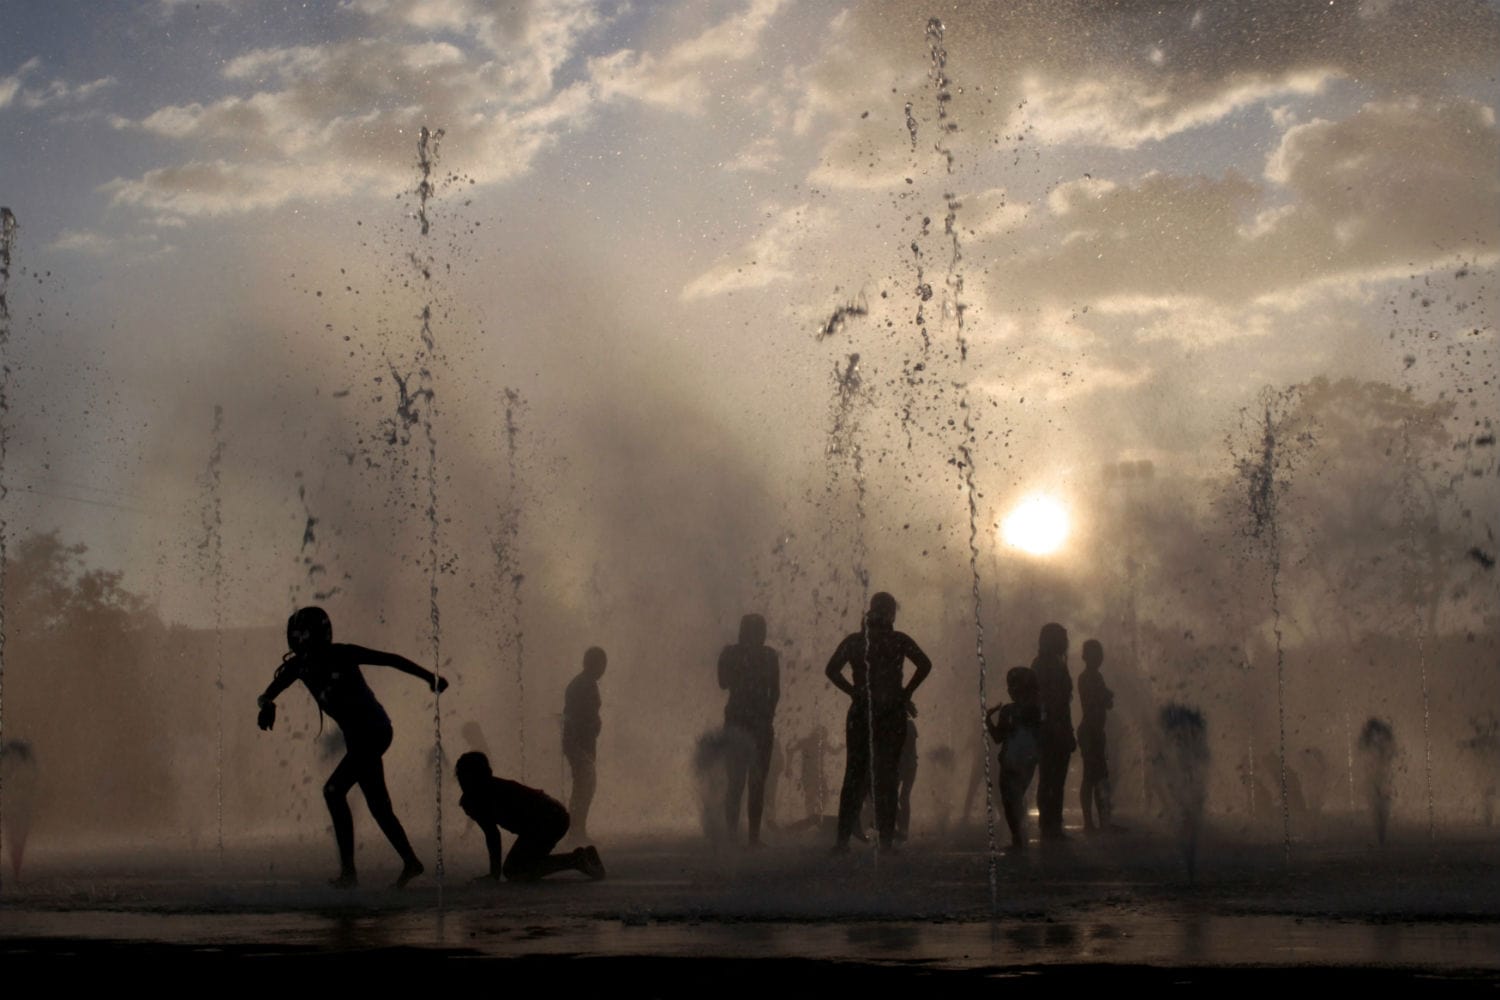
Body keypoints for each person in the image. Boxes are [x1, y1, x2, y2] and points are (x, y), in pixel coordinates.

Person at [256, 606, 446, 888]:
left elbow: (391, 660)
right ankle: (411, 862)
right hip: (360, 738)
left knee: (333, 791)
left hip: (375, 731)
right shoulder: (298, 666)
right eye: (299, 636)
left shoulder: (342, 653)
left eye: (306, 635)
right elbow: (265, 694)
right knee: (378, 806)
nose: (303, 641)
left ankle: (349, 873)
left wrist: (430, 677)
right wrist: (268, 704)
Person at [825, 591, 932, 851]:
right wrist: (905, 693)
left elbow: (831, 670)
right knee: (888, 775)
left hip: (862, 711)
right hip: (891, 713)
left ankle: (841, 842)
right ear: (892, 613)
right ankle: (885, 842)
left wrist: (854, 691)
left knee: (854, 774)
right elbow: (925, 664)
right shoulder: (898, 640)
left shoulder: (855, 642)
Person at [455, 752, 605, 881]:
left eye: (465, 777)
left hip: (549, 819)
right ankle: (581, 857)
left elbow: (492, 835)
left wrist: (494, 874)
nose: (462, 782)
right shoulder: (489, 790)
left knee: (514, 870)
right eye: (460, 777)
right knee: (518, 867)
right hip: (553, 815)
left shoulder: (480, 798)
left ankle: (575, 860)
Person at [718, 613, 780, 846]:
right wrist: (768, 715)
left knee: (737, 782)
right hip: (758, 721)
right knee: (755, 782)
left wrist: (734, 664)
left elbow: (723, 682)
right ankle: (751, 837)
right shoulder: (768, 655)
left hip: (737, 719)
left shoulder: (731, 653)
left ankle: (735, 836)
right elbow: (775, 691)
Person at [986, 666, 1041, 852]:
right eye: (1009, 686)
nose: (1010, 690)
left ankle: (1019, 838)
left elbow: (998, 737)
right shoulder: (1024, 711)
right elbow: (998, 738)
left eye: (1013, 686)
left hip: (1015, 762)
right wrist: (988, 720)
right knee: (1012, 799)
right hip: (1019, 761)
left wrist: (988, 720)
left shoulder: (1020, 711)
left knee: (1011, 799)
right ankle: (1019, 836)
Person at [1032, 622, 1075, 841]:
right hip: (1051, 729)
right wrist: (1058, 727)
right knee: (1052, 778)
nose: (1067, 642)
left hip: (1052, 728)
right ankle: (1050, 824)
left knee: (1052, 779)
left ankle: (1050, 823)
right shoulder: (1048, 665)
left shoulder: (1046, 663)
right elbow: (1046, 701)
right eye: (1063, 637)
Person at [562, 646, 606, 841]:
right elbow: (573, 716)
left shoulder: (586, 683)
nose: (603, 669)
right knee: (584, 786)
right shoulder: (582, 684)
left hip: (582, 743)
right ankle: (576, 831)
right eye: (601, 664)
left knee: (584, 785)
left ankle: (577, 829)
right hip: (579, 743)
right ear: (591, 663)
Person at [1076, 638, 1114, 832]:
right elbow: (1102, 700)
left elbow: (1106, 701)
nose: (1099, 658)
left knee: (1098, 776)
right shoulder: (1088, 677)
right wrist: (1106, 696)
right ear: (1087, 657)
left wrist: (1106, 697)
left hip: (1095, 731)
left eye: (1100, 654)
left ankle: (1100, 821)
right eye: (1096, 654)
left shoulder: (1094, 676)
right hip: (1090, 731)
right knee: (1092, 777)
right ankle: (1090, 822)